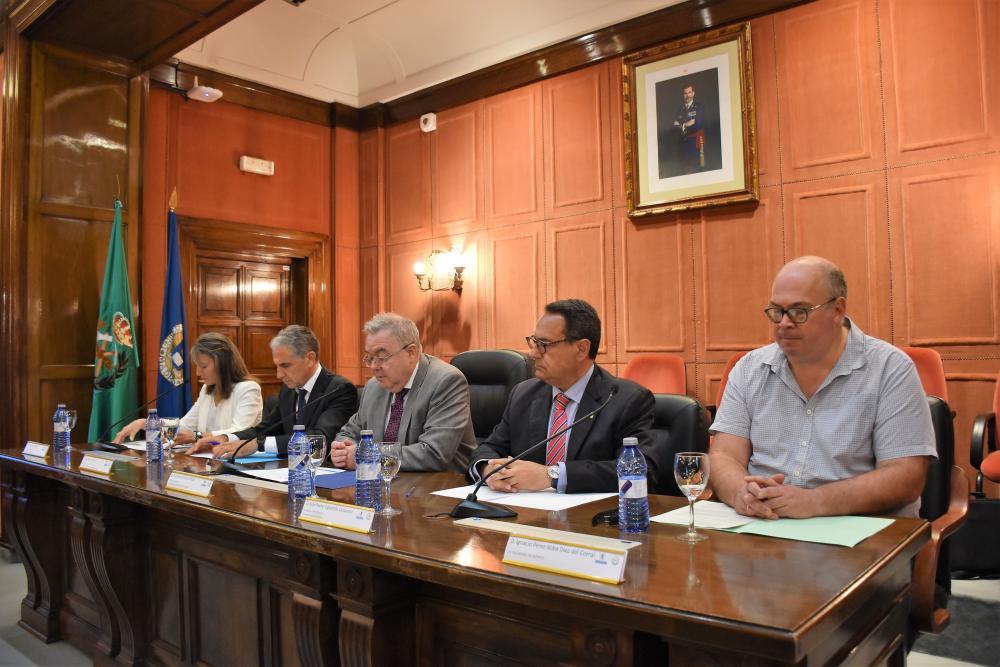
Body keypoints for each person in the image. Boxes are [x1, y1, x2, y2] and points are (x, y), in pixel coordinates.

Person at [709, 256, 937, 519]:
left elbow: (905, 476)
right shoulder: (749, 369)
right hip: (762, 528)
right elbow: (723, 456)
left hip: (857, 531)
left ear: (838, 310)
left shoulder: (890, 369)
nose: (783, 323)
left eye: (799, 312)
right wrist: (741, 493)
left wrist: (815, 501)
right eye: (776, 311)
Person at [468, 299, 658, 493]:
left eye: (544, 345)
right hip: (525, 512)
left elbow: (641, 471)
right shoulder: (523, 393)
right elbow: (489, 447)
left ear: (581, 349)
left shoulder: (626, 400)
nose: (533, 353)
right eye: (533, 342)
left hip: (589, 518)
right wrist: (488, 469)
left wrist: (552, 475)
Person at [330, 313, 475, 472]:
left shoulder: (446, 381)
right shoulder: (373, 387)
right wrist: (343, 450)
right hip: (385, 483)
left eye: (381, 356)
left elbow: (434, 453)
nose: (373, 366)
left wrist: (367, 455)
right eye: (370, 358)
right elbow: (348, 433)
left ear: (411, 353)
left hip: (438, 487)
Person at [194, 325, 358, 458]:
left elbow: (319, 439)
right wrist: (226, 438)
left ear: (310, 358)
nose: (279, 375)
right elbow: (265, 428)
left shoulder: (339, 389)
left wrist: (259, 444)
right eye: (277, 366)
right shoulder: (289, 389)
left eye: (285, 366)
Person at [114, 332, 263, 446]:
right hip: (207, 460)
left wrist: (196, 436)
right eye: (197, 366)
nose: (198, 373)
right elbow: (184, 427)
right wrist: (145, 424)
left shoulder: (248, 389)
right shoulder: (207, 390)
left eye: (203, 366)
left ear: (223, 363)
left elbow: (241, 432)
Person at [673, 84, 702, 172]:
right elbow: (674, 125)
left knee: (694, 171)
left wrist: (681, 125)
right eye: (685, 93)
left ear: (693, 93)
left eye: (689, 92)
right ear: (683, 95)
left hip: (693, 145)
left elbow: (698, 124)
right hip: (682, 145)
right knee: (683, 171)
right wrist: (686, 124)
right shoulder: (680, 109)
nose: (687, 95)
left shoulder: (698, 107)